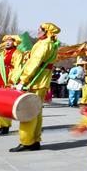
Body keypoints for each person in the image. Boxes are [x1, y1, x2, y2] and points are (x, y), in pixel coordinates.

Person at [10, 23, 61, 152]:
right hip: (42, 81)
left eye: (40, 30)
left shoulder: (44, 44)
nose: (38, 31)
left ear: (46, 32)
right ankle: (35, 140)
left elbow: (34, 63)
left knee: (28, 110)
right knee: (37, 112)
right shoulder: (51, 44)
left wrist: (23, 79)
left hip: (35, 81)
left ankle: (27, 142)